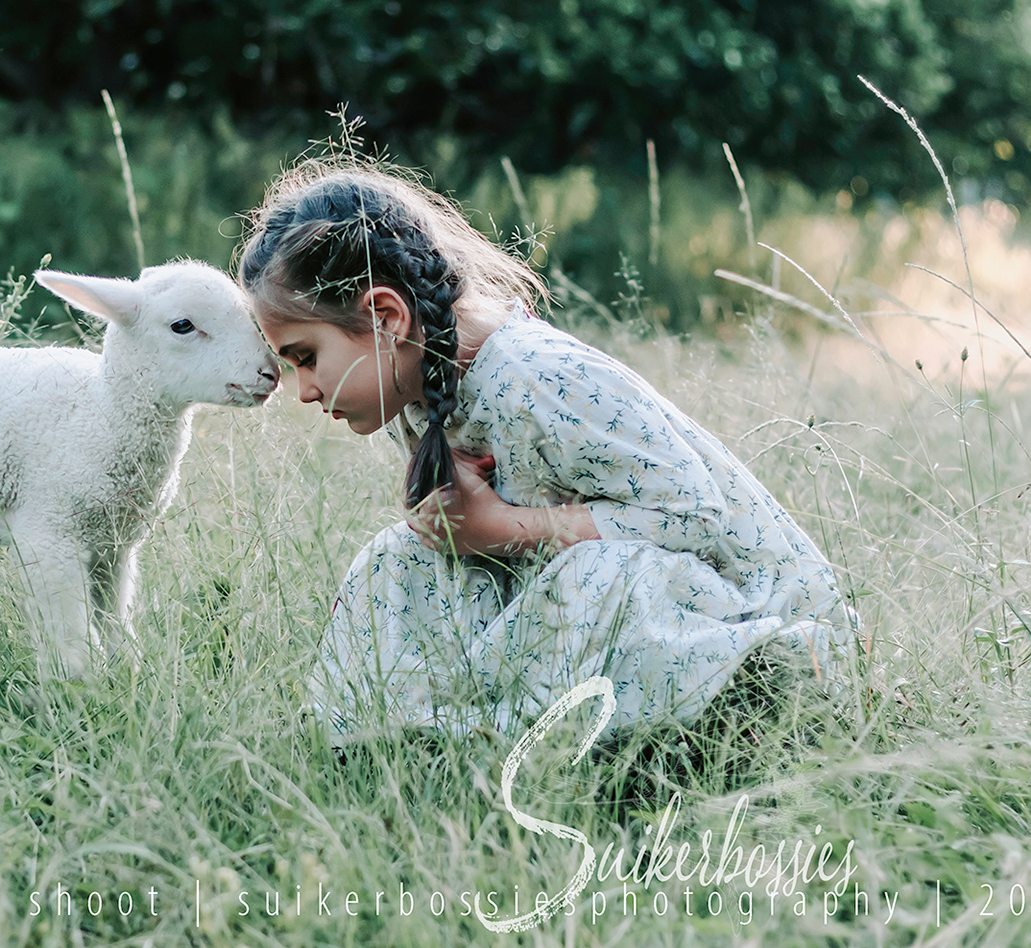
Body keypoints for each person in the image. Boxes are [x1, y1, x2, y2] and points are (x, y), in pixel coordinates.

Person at [236, 159, 858, 743]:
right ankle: (382, 732)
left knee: (593, 580)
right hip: (599, 587)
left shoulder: (535, 377)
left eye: (306, 358)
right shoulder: (419, 386)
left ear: (385, 317)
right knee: (395, 561)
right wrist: (454, 528)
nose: (305, 390)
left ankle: (718, 710)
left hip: (732, 607)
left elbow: (692, 518)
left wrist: (502, 527)